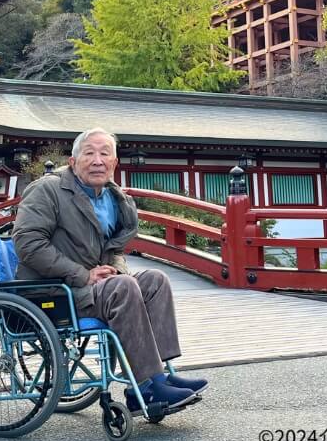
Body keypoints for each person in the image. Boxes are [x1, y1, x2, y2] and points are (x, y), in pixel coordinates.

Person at [13, 127, 207, 412]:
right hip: (54, 291)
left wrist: (114, 269)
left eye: (105, 154)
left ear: (115, 164)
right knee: (124, 287)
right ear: (73, 161)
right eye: (89, 153)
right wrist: (83, 274)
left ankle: (162, 374)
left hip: (94, 288)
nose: (97, 160)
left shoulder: (113, 198)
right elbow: (27, 243)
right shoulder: (48, 190)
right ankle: (146, 386)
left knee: (154, 280)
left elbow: (114, 249)